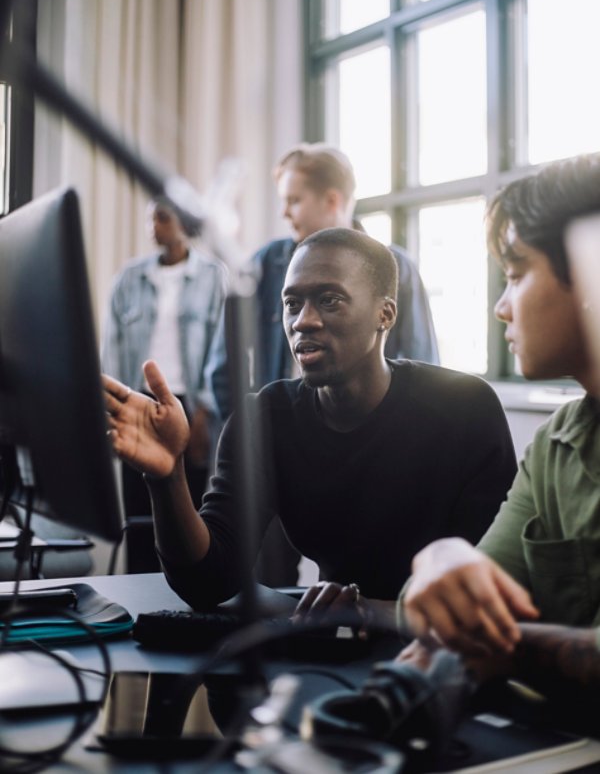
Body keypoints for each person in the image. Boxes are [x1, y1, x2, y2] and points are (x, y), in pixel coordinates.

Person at [104, 227, 516, 627]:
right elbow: (208, 581)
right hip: (331, 652)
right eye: (292, 303)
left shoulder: (465, 409)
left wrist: (371, 612)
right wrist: (167, 475)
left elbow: (491, 588)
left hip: (443, 662)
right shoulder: (266, 417)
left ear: (384, 314)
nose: (303, 321)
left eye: (330, 300)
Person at [397, 153, 600, 703]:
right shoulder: (555, 444)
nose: (500, 307)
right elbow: (451, 611)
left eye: (514, 276)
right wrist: (439, 561)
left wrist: (497, 645)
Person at [205, 143, 439, 586]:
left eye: (294, 200)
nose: (286, 213)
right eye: (294, 304)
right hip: (281, 455)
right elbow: (224, 366)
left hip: (376, 456)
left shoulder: (395, 269)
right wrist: (251, 436)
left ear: (332, 200)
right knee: (262, 589)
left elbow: (421, 363)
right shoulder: (265, 264)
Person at [101, 196, 227, 572]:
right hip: (136, 399)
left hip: (191, 404)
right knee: (139, 514)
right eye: (149, 218)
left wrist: (204, 411)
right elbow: (112, 348)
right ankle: (138, 601)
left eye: (162, 217)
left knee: (187, 513)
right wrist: (111, 405)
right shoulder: (128, 277)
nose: (153, 226)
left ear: (184, 222)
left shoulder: (213, 277)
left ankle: (187, 595)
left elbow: (222, 347)